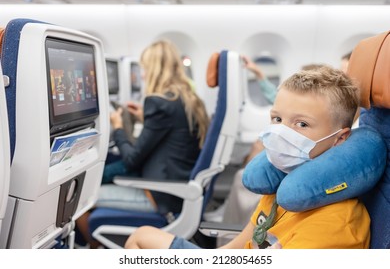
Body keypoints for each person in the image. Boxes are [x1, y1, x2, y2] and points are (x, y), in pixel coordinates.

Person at [125, 65, 370, 249]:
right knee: (142, 236)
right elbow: (233, 250)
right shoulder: (281, 187)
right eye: (277, 119)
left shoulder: (335, 224)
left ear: (340, 138)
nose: (281, 132)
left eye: (302, 123)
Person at [76, 39, 209, 248]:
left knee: (79, 199)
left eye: (145, 69)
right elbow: (172, 134)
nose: (143, 75)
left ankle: (94, 249)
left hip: (160, 196)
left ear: (155, 69)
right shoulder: (188, 99)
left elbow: (131, 160)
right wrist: (144, 120)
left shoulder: (158, 102)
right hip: (176, 187)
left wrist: (118, 126)